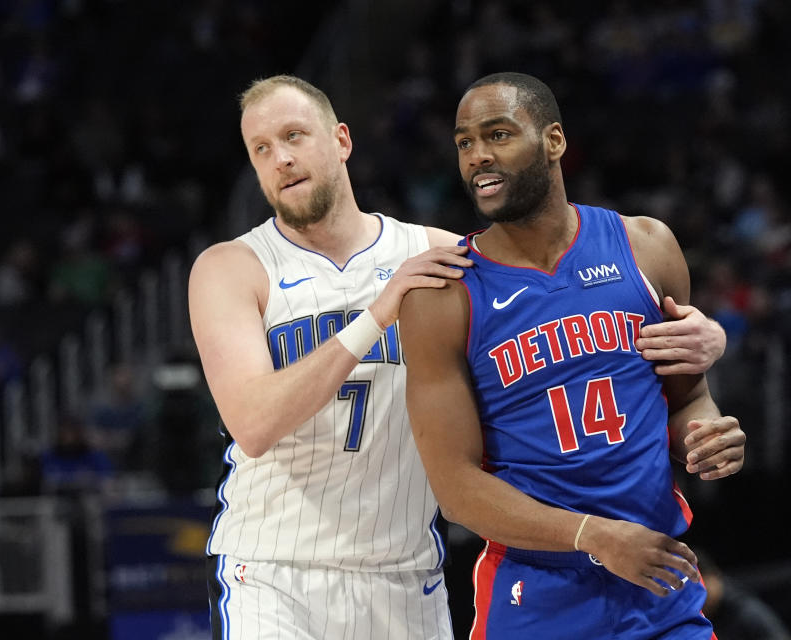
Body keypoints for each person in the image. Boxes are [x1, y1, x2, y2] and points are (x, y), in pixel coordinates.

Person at [188, 74, 727, 640]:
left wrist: (706, 336)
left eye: (294, 136)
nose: (281, 159)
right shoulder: (231, 267)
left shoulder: (439, 256)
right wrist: (376, 314)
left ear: (342, 140)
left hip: (405, 571)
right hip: (275, 569)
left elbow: (567, 299)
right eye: (261, 149)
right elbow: (251, 424)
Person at [399, 72, 746, 639]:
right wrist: (593, 535)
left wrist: (707, 436)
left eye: (499, 134)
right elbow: (456, 489)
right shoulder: (443, 296)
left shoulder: (647, 247)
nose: (478, 157)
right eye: (465, 143)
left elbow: (689, 399)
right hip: (537, 592)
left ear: (554, 140)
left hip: (657, 582)